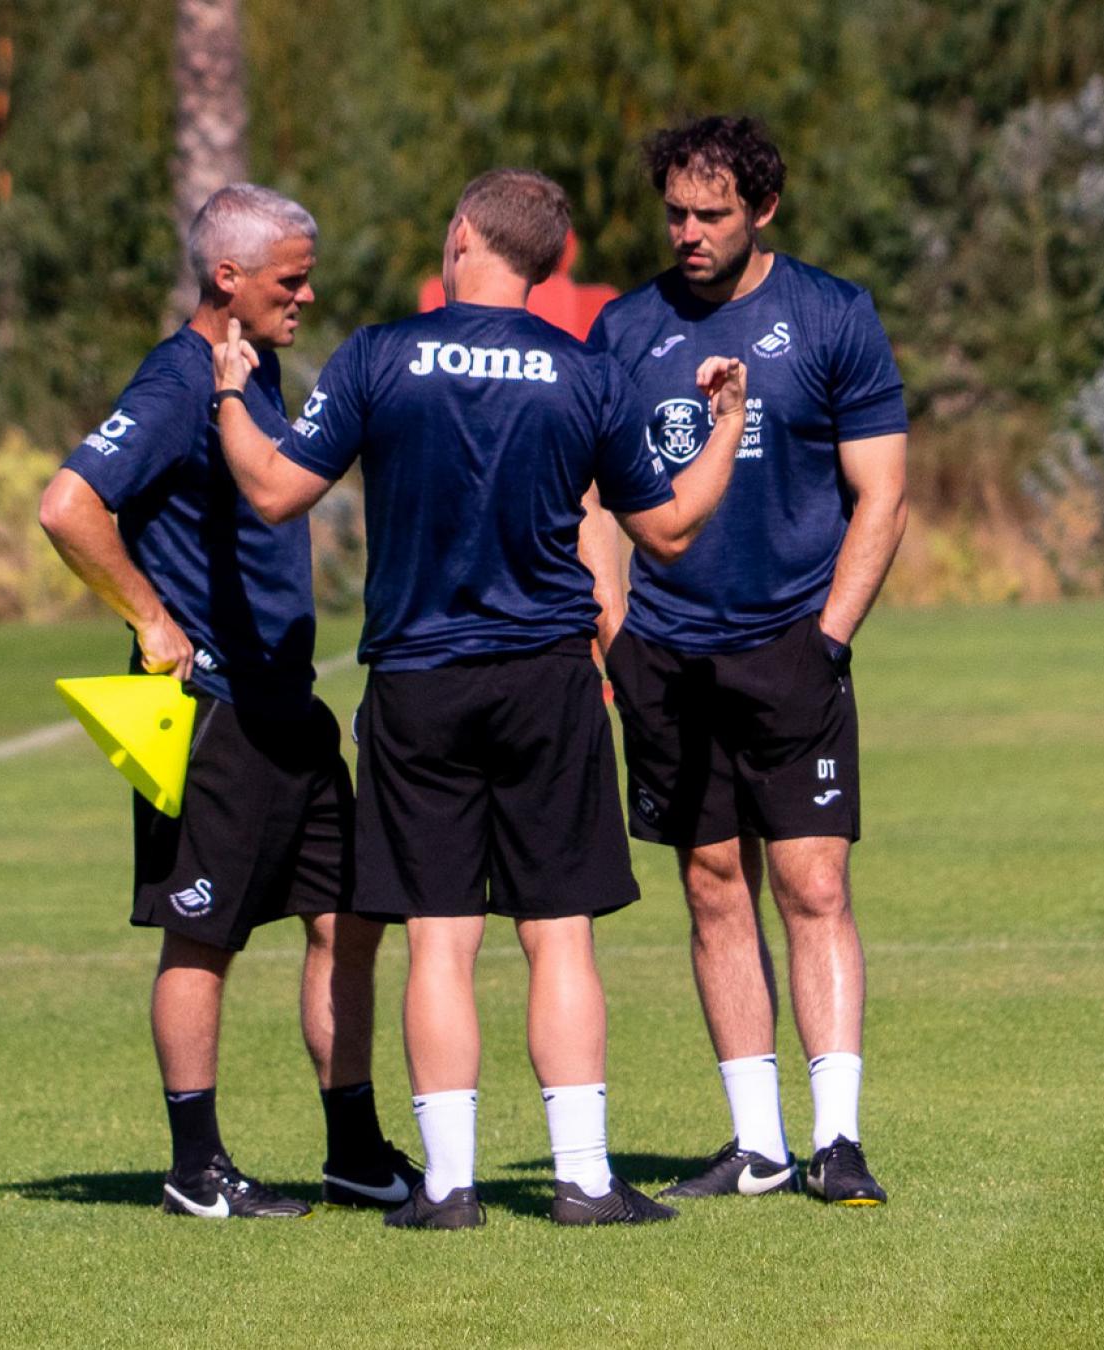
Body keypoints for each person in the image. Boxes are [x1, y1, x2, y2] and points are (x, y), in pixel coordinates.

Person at [207, 169, 748, 1229]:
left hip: (417, 681)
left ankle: (450, 1187)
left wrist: (231, 389)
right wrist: (725, 422)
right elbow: (670, 530)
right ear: (550, 265)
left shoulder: (378, 356)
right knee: (559, 933)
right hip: (547, 680)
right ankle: (584, 1179)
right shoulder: (584, 371)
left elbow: (273, 491)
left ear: (461, 236)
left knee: (440, 936)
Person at [37, 184, 417, 1220]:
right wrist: (152, 620)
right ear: (228, 279)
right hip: (209, 710)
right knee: (203, 933)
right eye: (291, 278)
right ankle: (196, 1167)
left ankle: (354, 1152)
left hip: (286, 705)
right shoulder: (173, 382)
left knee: (346, 916)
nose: (306, 293)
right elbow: (67, 507)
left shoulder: (259, 370)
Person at [583, 116, 912, 1206]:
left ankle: (839, 1140)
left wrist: (830, 635)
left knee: (812, 881)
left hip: (793, 647)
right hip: (666, 655)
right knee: (712, 883)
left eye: (711, 214)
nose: (688, 232)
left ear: (761, 211)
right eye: (675, 212)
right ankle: (758, 1145)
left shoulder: (831, 314)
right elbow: (590, 497)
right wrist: (615, 629)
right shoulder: (623, 330)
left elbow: (883, 494)